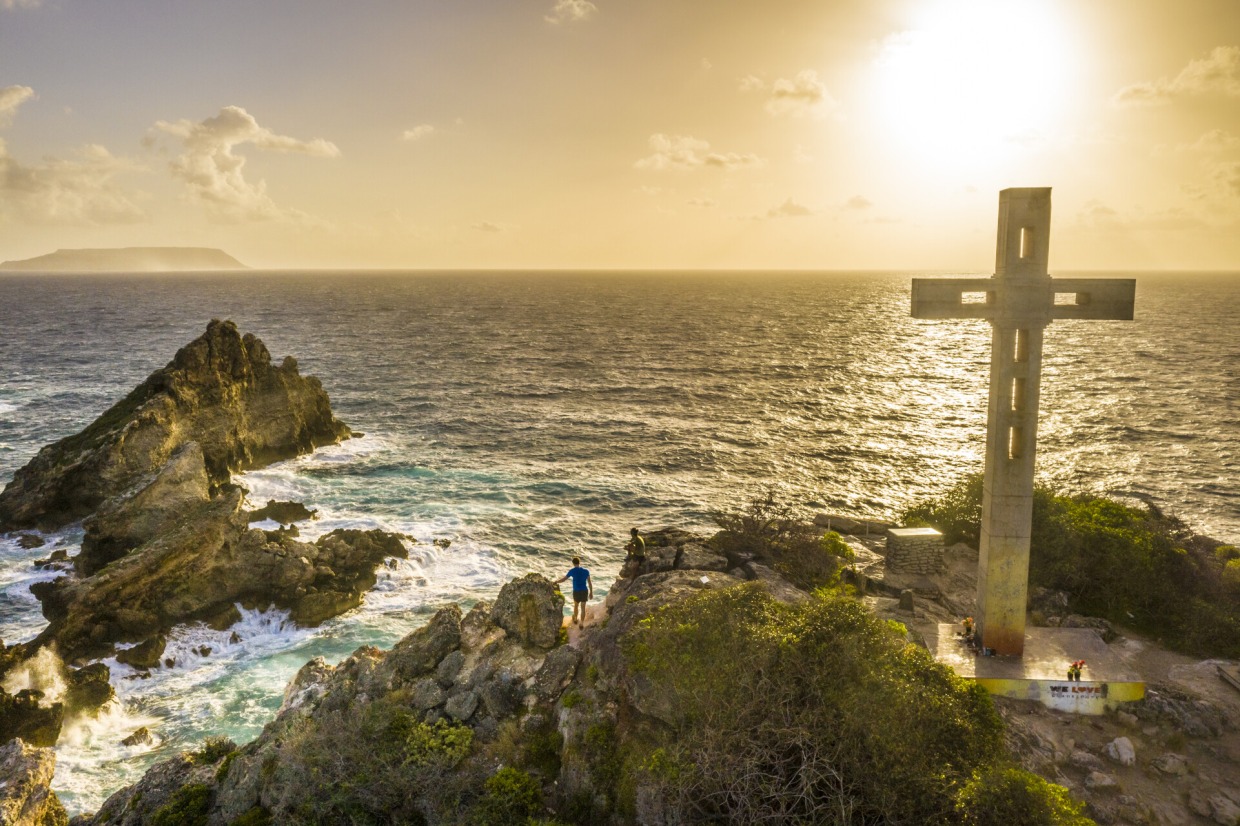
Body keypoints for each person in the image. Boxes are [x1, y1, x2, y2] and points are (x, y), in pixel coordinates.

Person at [557, 556, 593, 626]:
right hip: (584, 591)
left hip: (576, 591)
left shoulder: (572, 571)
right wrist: (591, 593)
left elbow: (564, 579)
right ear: (579, 562)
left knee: (576, 606)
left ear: (573, 563)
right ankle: (582, 623)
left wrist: (556, 582)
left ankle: (575, 619)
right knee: (583, 608)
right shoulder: (586, 571)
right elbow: (589, 582)